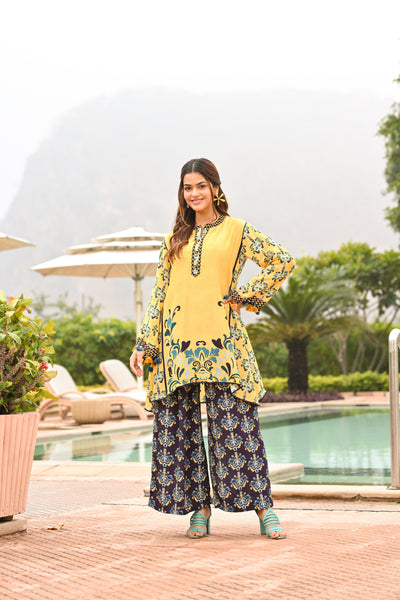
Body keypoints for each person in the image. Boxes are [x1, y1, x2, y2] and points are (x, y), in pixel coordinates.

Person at [130, 158, 295, 539]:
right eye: (187, 188)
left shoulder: (238, 230)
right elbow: (158, 295)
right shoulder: (173, 240)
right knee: (182, 432)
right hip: (175, 348)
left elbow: (282, 261)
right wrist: (144, 343)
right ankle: (199, 511)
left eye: (201, 186)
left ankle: (264, 510)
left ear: (216, 189)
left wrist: (247, 295)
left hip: (223, 345)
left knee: (236, 429)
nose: (194, 194)